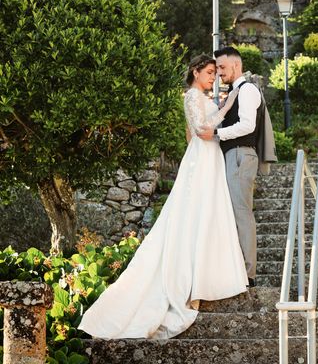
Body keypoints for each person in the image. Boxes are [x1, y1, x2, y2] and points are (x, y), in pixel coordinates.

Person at [78, 54, 248, 339]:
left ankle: (207, 271)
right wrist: (228, 104)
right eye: (208, 72)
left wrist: (221, 105)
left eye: (213, 73)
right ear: (195, 72)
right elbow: (200, 130)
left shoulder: (202, 96)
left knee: (209, 214)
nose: (212, 77)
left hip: (208, 158)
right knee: (196, 212)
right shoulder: (192, 96)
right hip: (202, 158)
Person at [198, 47, 260, 287]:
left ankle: (248, 273)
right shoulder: (234, 93)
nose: (219, 73)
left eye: (222, 67)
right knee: (231, 213)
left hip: (239, 156)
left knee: (241, 212)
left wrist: (215, 133)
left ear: (236, 65)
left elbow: (247, 125)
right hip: (231, 155)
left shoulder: (248, 90)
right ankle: (236, 270)